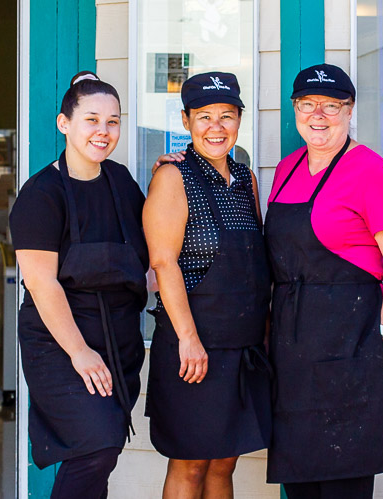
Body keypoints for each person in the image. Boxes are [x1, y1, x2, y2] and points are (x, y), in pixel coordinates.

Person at [265, 63, 383, 499]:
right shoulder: (287, 168)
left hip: (350, 344)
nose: (318, 115)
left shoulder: (373, 172)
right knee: (301, 482)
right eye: (308, 104)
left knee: (343, 482)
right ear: (295, 109)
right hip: (292, 350)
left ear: (349, 111)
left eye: (332, 106)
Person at [9, 72, 148, 498]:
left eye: (113, 121)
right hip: (60, 340)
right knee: (96, 447)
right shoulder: (41, 195)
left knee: (100, 451)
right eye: (91, 120)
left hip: (117, 337)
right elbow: (41, 283)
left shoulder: (121, 182)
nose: (103, 132)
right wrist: (79, 351)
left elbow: (145, 260)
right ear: (64, 123)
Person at [144, 71, 272, 499]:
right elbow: (163, 263)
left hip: (242, 347)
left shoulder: (247, 180)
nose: (216, 127)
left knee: (223, 464)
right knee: (191, 463)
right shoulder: (172, 178)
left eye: (226, 116)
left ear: (239, 120)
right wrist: (188, 339)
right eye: (204, 117)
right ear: (186, 121)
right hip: (192, 349)